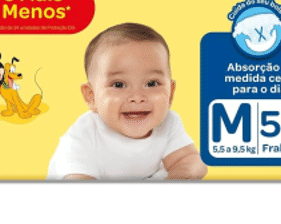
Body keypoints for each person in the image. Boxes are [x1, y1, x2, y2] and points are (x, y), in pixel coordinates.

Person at [47, 23, 207, 180]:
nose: (137, 97)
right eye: (119, 85)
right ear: (91, 96)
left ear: (170, 93)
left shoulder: (168, 123)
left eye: (151, 83)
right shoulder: (84, 134)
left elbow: (191, 161)